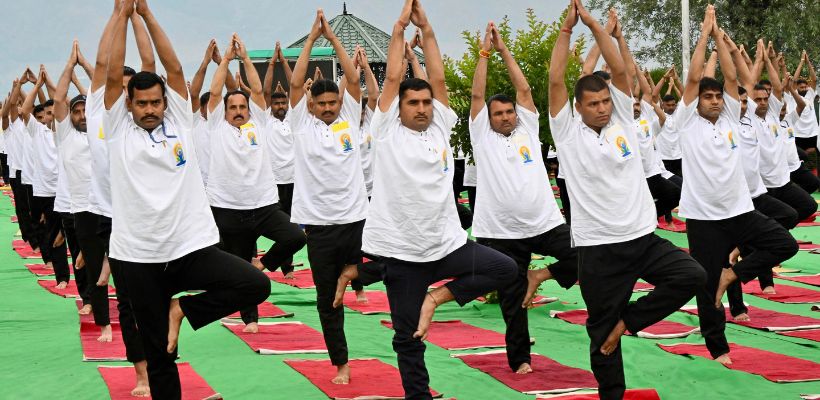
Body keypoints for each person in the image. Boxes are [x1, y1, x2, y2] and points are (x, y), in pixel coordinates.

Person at [103, 1, 270, 397]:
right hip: (138, 257)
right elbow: (111, 73)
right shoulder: (116, 130)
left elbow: (174, 69)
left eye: (155, 102)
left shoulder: (180, 121)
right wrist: (119, 17)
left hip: (189, 249)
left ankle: (185, 309)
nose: (149, 109)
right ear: (129, 104)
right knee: (160, 355)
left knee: (255, 285)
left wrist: (145, 14)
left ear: (165, 102)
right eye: (141, 103)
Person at [548, 2, 705, 398]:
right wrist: (567, 32)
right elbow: (555, 83)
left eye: (605, 102)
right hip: (598, 250)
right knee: (602, 337)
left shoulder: (621, 120)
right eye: (593, 104)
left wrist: (596, 25)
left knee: (692, 275)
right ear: (578, 108)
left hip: (641, 238)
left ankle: (629, 323)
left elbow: (620, 71)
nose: (602, 108)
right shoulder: (566, 133)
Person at [362, 1, 517, 398]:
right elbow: (395, 75)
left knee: (506, 269)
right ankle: (419, 394)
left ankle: (438, 296)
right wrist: (398, 28)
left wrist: (427, 29)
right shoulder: (387, 132)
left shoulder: (439, 128)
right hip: (402, 253)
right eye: (413, 103)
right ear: (398, 108)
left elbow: (439, 76)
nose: (422, 108)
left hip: (446, 245)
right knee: (408, 336)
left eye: (426, 103)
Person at [674, 8, 797, 365]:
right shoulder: (686, 123)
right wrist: (703, 36)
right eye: (707, 97)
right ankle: (718, 348)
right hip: (703, 218)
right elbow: (696, 74)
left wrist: (720, 38)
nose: (714, 101)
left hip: (741, 211)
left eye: (718, 97)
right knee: (707, 284)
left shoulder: (730, 114)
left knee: (784, 244)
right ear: (697, 101)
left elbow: (731, 76)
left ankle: (737, 271)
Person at [468, 21, 578, 375]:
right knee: (512, 301)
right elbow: (476, 96)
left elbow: (525, 88)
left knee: (587, 250)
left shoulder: (528, 129)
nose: (504, 117)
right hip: (501, 232)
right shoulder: (481, 136)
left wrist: (504, 50)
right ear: (489, 119)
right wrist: (484, 53)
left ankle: (541, 275)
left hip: (544, 223)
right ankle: (520, 361)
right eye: (498, 114)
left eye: (508, 112)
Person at [288, 9, 380, 385]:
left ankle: (354, 273)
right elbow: (296, 85)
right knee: (327, 301)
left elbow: (355, 81)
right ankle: (341, 363)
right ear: (312, 105)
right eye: (321, 104)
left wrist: (336, 41)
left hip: (358, 219)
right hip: (321, 227)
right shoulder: (301, 125)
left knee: (396, 264)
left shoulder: (348, 121)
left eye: (333, 103)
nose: (328, 108)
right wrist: (312, 39)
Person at [205, 33, 306, 333]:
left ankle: (263, 265)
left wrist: (246, 59)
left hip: (263, 206)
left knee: (295, 237)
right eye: (232, 107)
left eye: (242, 107)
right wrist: (224, 60)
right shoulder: (216, 127)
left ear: (250, 110)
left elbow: (259, 90)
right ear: (224, 112)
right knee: (238, 270)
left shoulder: (259, 124)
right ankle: (251, 319)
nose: (238, 111)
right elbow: (213, 94)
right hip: (228, 209)